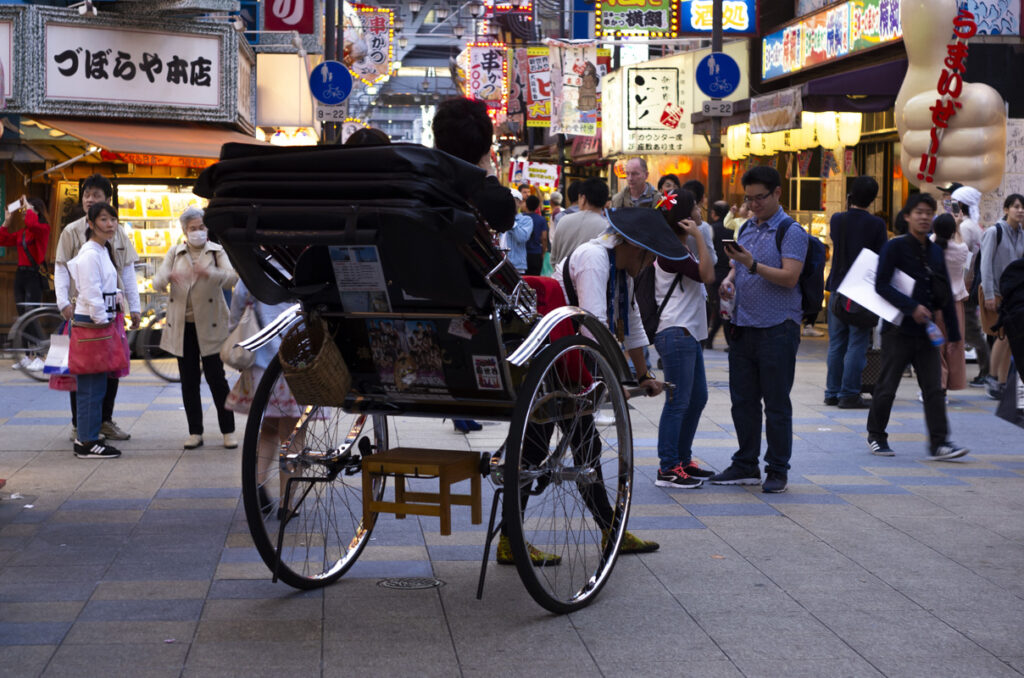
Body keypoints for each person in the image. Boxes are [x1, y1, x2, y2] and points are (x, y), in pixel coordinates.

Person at [710, 166, 807, 494]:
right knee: (743, 401)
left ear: (778, 193)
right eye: (748, 199)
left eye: (759, 198)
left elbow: (790, 276)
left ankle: (777, 469)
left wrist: (751, 265)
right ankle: (745, 463)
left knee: (777, 403)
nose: (753, 205)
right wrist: (730, 278)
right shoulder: (746, 228)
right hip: (742, 325)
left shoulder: (791, 231)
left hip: (778, 327)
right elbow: (739, 267)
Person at [431, 96, 517, 433]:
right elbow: (505, 218)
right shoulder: (488, 194)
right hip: (473, 305)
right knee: (549, 291)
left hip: (415, 296)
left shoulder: (417, 186)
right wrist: (489, 173)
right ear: (486, 146)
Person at [865, 193, 967, 461]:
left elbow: (945, 294)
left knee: (934, 388)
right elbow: (881, 285)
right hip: (898, 330)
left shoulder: (935, 251)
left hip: (926, 332)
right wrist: (911, 307)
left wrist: (954, 335)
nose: (924, 217)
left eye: (928, 213)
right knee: (887, 386)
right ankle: (876, 435)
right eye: (919, 212)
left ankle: (940, 443)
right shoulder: (894, 247)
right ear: (908, 216)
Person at [54, 174, 140, 443]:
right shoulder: (72, 231)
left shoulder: (118, 231)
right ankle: (80, 424)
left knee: (111, 367)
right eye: (86, 194)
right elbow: (60, 268)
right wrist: (63, 303)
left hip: (112, 313)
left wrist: (134, 306)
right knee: (80, 369)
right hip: (83, 314)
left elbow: (127, 272)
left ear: (108, 201)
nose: (90, 198)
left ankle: (104, 421)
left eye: (96, 194)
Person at [151, 206, 239, 450]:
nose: (198, 232)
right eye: (193, 228)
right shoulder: (175, 252)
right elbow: (157, 281)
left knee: (216, 379)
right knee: (188, 381)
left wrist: (209, 272)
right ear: (184, 231)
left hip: (210, 325)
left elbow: (233, 277)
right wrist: (168, 276)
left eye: (201, 227)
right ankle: (195, 431)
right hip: (183, 327)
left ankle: (228, 430)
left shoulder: (216, 251)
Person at [224, 279, 305, 520]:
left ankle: (258, 484)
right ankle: (286, 504)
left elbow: (235, 316)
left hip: (260, 365)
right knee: (294, 436)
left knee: (268, 430)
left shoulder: (251, 272)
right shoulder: (297, 269)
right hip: (296, 363)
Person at [651, 190, 716, 488]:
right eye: (695, 207)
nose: (701, 209)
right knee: (678, 402)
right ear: (686, 219)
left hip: (687, 333)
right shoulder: (672, 252)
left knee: (697, 398)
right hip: (676, 333)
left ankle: (682, 459)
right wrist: (700, 236)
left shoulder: (679, 248)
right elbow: (707, 275)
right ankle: (668, 467)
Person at [65, 203, 125, 459]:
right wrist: (104, 321)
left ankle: (88, 437)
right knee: (91, 386)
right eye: (103, 219)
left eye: (113, 219)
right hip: (93, 324)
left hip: (98, 322)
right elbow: (90, 291)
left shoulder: (100, 250)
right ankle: (87, 442)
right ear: (90, 223)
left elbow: (106, 286)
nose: (110, 224)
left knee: (95, 385)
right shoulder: (90, 253)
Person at [823, 176, 888, 409]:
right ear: (872, 199)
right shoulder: (877, 225)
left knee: (837, 343)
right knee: (857, 343)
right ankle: (849, 393)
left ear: (850, 195)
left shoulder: (837, 219)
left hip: (837, 289)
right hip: (861, 292)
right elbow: (881, 256)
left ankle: (832, 391)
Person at [979, 194, 1024, 400]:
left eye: (1023, 207)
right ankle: (992, 378)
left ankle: (1003, 382)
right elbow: (985, 264)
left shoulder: (1021, 234)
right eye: (1016, 207)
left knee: (1010, 337)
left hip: (1015, 294)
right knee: (1002, 336)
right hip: (996, 291)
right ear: (1006, 209)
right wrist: (989, 294)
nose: (1020, 210)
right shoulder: (994, 232)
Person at [1, 197, 51, 372]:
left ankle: (41, 355)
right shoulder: (23, 233)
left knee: (31, 314)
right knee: (23, 315)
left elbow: (33, 224)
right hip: (20, 275)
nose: (24, 214)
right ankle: (29, 355)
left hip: (33, 276)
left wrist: (29, 207)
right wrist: (6, 221)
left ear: (36, 210)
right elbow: (3, 239)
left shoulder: (43, 229)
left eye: (28, 210)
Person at [952, 185, 990, 389]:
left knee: (972, 331)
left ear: (960, 205)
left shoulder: (965, 228)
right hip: (968, 286)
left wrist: (962, 286)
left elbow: (962, 258)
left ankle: (987, 370)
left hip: (965, 287)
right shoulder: (973, 225)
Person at [931, 214, 970, 398]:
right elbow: (962, 243)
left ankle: (938, 384)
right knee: (954, 345)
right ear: (953, 232)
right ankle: (950, 384)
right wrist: (959, 225)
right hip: (955, 304)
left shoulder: (930, 247)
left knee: (936, 345)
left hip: (935, 304)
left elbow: (933, 236)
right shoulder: (961, 250)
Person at [549, 177, 610, 266]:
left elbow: (553, 258)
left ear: (583, 198)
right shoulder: (607, 227)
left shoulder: (563, 220)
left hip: (561, 277)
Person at [706, 200, 732, 349]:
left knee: (720, 308)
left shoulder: (711, 229)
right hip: (729, 274)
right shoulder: (733, 228)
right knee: (724, 308)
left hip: (715, 273)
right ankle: (719, 340)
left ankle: (713, 340)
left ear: (714, 214)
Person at [523, 194, 548, 276]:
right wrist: (543, 252)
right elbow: (544, 237)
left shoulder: (522, 218)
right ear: (537, 206)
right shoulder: (541, 219)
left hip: (523, 253)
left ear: (526, 205)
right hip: (536, 253)